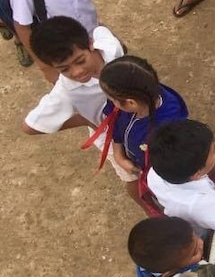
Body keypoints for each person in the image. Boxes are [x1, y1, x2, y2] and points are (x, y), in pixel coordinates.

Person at [20, 17, 132, 182]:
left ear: (90, 43)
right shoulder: (65, 91)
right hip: (111, 136)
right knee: (132, 178)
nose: (77, 72)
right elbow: (29, 127)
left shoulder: (111, 49)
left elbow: (101, 30)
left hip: (140, 116)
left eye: (80, 60)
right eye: (64, 69)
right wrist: (84, 120)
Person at [98, 55, 189, 211]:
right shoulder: (142, 93)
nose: (111, 103)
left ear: (131, 103)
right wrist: (119, 155)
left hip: (163, 175)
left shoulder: (169, 126)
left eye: (112, 100)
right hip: (139, 165)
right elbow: (116, 126)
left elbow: (175, 163)